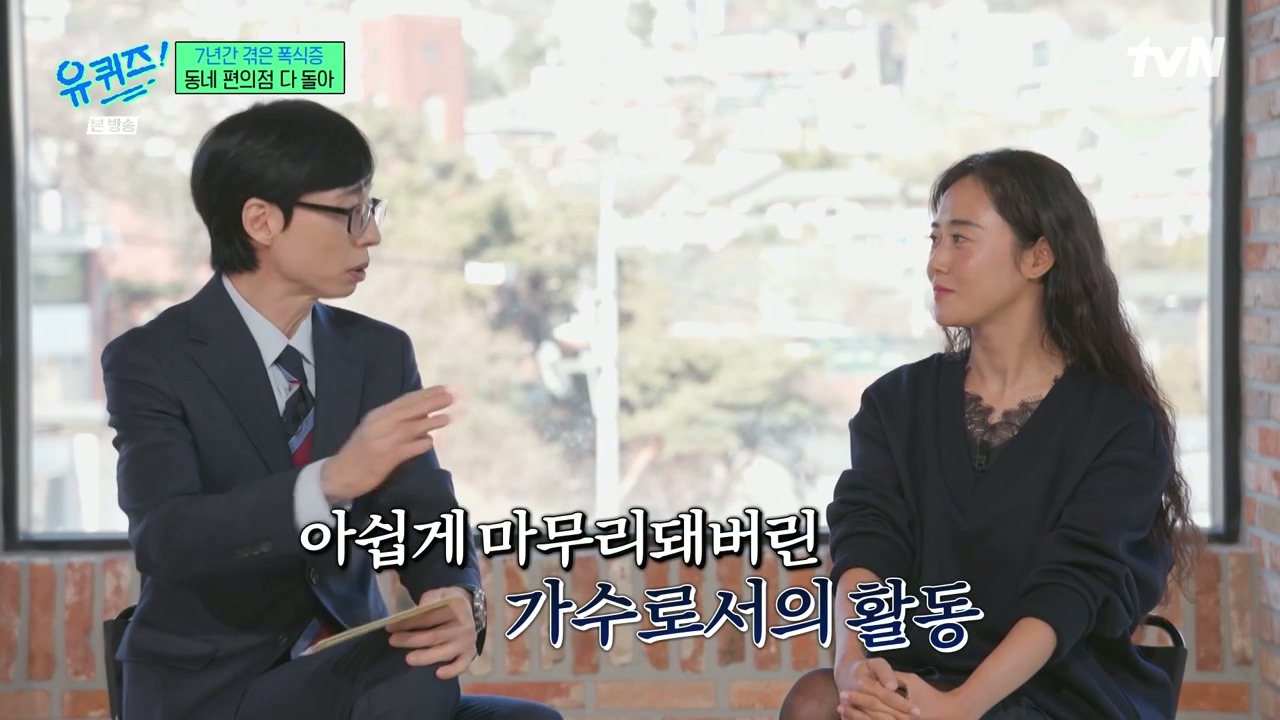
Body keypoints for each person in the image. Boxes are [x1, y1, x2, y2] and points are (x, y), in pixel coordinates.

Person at [101, 99, 563, 720]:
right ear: (262, 221)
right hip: (214, 691)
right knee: (408, 678)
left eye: (370, 210)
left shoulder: (378, 352)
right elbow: (166, 539)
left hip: (350, 672)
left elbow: (423, 512)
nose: (370, 234)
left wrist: (455, 595)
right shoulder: (153, 358)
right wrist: (331, 483)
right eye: (349, 213)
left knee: (523, 717)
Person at [778, 149, 1201, 720]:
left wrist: (960, 708)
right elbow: (868, 541)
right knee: (818, 702)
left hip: (1060, 689)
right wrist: (853, 667)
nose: (936, 263)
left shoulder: (1118, 422)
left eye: (960, 239)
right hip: (923, 671)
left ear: (1038, 257)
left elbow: (1074, 588)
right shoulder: (896, 404)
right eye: (934, 239)